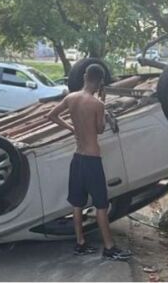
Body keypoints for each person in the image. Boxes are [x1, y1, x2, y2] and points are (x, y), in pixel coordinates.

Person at [46, 64, 132, 261]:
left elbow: (51, 115)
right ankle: (109, 247)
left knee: (77, 204)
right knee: (101, 205)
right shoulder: (97, 104)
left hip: (77, 158)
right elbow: (100, 129)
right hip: (92, 160)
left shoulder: (71, 98)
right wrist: (103, 104)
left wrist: (72, 128)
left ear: (85, 77)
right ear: (100, 82)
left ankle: (80, 243)